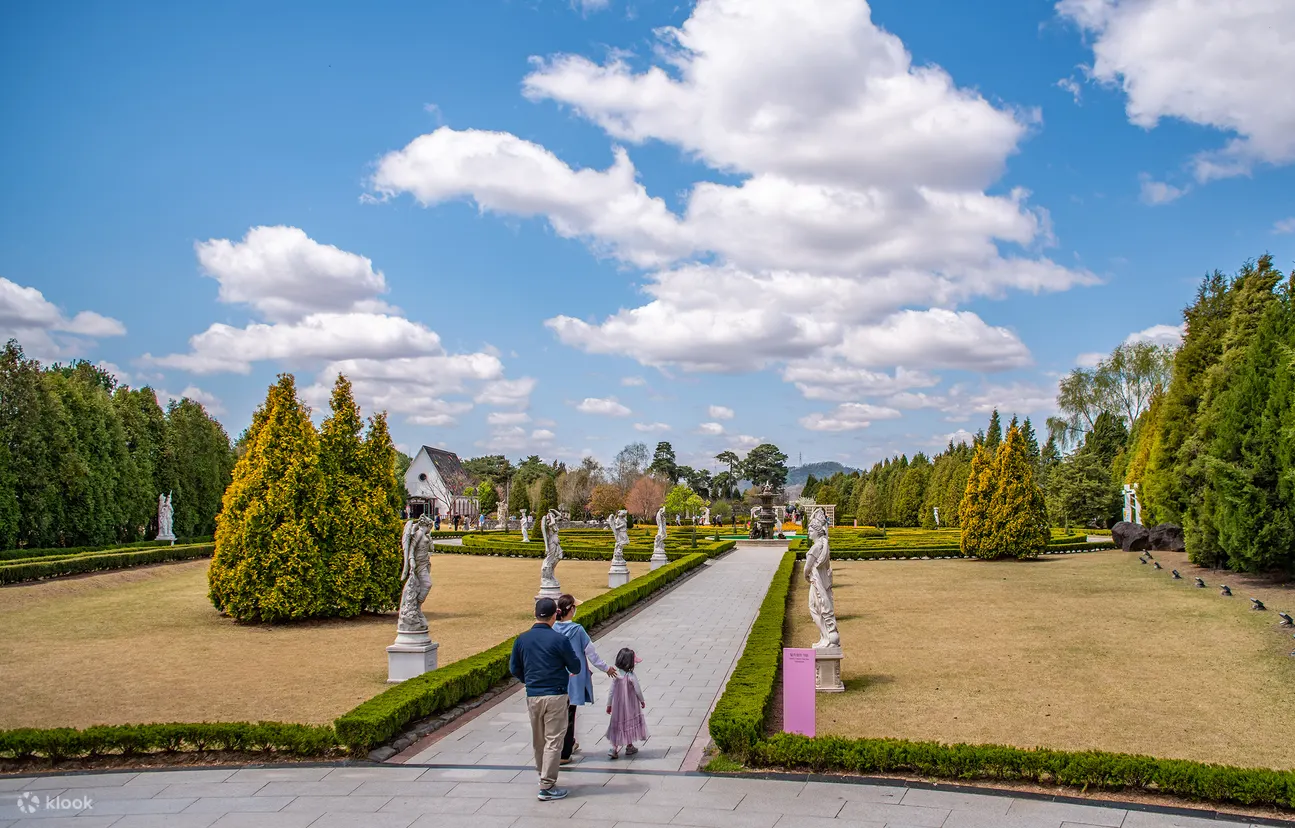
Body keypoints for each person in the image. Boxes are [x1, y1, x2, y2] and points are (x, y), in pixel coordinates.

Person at [509, 597, 581, 801]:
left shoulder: (522, 639)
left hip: (533, 695)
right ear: (554, 615)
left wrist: (529, 681)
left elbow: (514, 668)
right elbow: (575, 666)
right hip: (555, 694)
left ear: (535, 614)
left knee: (539, 739)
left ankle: (543, 775)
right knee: (554, 740)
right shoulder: (559, 640)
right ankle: (547, 786)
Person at [553, 594, 617, 765]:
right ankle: (565, 753)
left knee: (558, 714)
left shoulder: (553, 628)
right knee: (569, 713)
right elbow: (591, 654)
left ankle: (568, 744)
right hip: (574, 677)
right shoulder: (577, 630)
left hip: (556, 677)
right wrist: (606, 668)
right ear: (571, 609)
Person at [605, 647, 648, 759]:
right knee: (628, 724)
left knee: (618, 725)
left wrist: (609, 705)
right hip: (630, 707)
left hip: (618, 707)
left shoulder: (616, 676)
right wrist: (642, 700)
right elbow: (638, 690)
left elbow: (611, 692)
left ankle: (616, 747)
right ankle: (625, 747)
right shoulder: (631, 676)